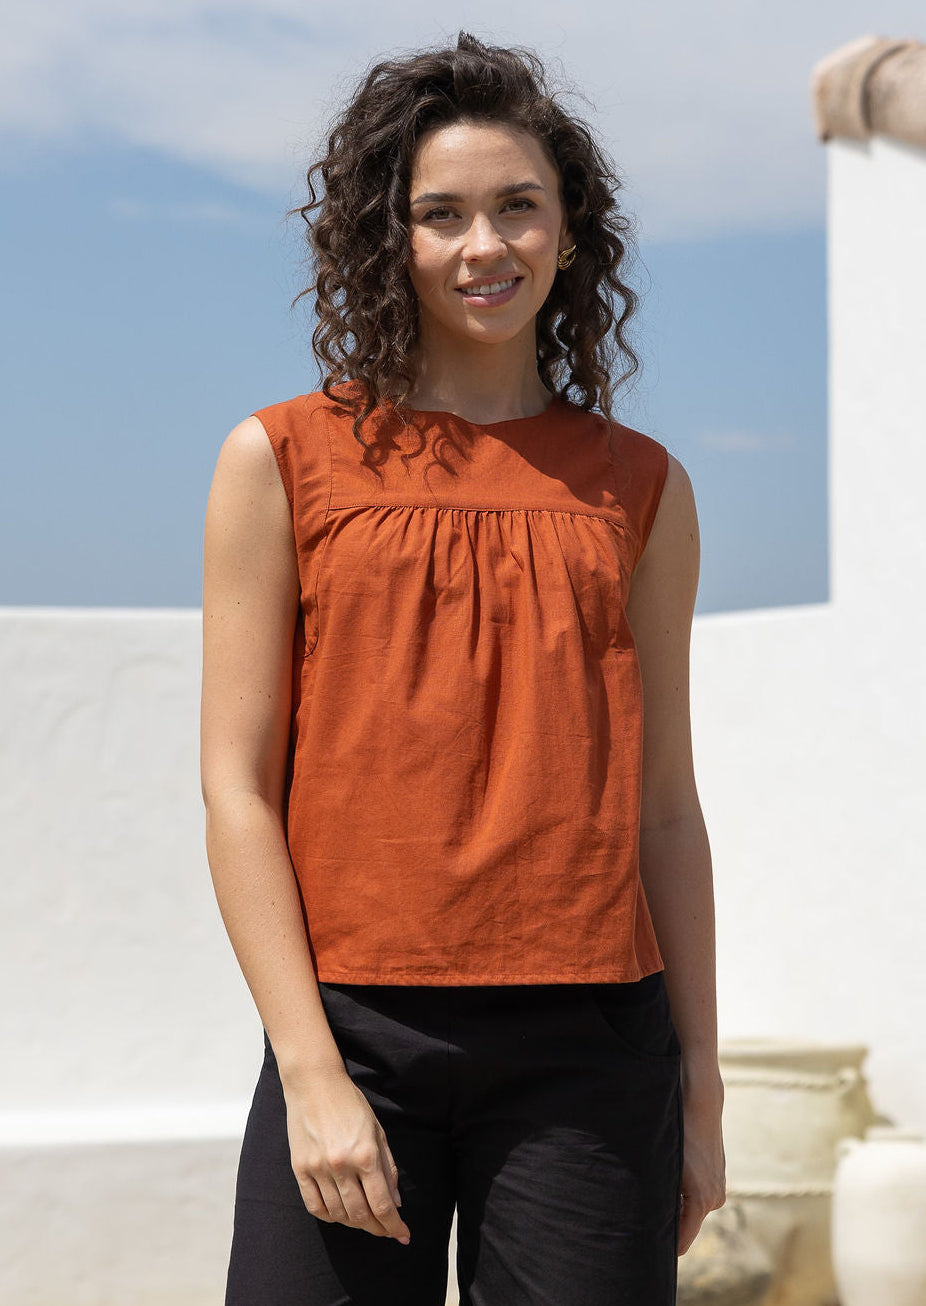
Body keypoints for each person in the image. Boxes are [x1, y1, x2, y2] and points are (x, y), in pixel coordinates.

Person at [200, 29, 726, 1306]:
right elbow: (237, 788)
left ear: (569, 229)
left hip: (590, 1053)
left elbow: (663, 806)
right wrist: (310, 1070)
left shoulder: (641, 487)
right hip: (352, 1035)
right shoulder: (278, 461)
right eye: (439, 214)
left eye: (516, 206)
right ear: (388, 238)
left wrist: (701, 1089)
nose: (482, 245)